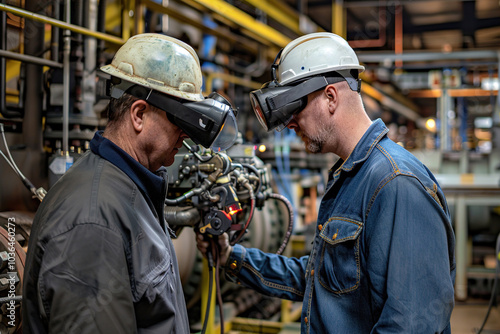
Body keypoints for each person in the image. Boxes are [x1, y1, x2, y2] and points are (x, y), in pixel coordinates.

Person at [198, 32, 456, 333]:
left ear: (330, 97)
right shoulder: (351, 178)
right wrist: (232, 258)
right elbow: (321, 282)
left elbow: (412, 324)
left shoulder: (396, 183)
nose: (290, 123)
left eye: (296, 108)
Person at [22, 33, 237, 333]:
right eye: (180, 120)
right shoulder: (93, 220)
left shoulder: (131, 188)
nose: (186, 135)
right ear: (138, 114)